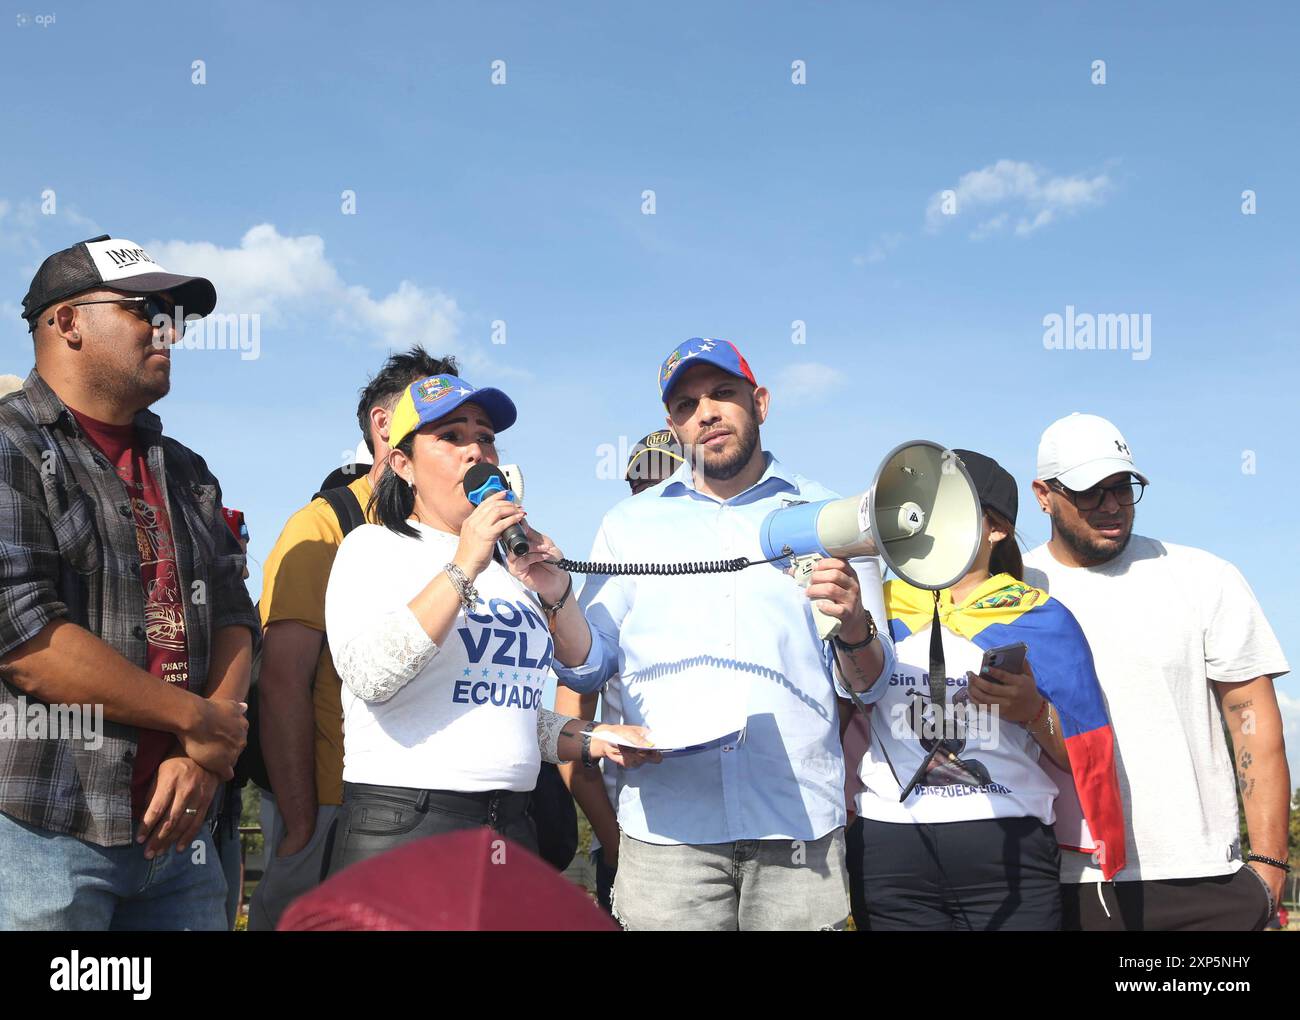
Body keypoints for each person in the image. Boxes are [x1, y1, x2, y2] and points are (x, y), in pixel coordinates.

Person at [539, 338, 897, 931]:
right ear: (672, 426)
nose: (704, 412)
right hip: (667, 832)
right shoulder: (628, 525)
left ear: (760, 402)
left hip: (798, 826)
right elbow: (588, 665)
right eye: (685, 404)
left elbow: (871, 687)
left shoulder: (833, 515)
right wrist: (557, 598)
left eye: (722, 394)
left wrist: (856, 625)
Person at [0, 235, 256, 930]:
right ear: (68, 321)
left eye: (176, 317)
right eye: (148, 309)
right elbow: (27, 639)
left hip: (183, 831)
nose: (167, 330)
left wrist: (204, 757)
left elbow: (237, 614)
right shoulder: (11, 445)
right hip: (43, 829)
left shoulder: (188, 470)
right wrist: (196, 722)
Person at [323, 372, 660, 874]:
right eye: (451, 437)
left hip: (512, 828)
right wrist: (463, 565)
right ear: (402, 463)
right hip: (406, 828)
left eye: (485, 437)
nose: (475, 451)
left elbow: (527, 696)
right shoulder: (373, 548)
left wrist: (592, 737)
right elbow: (371, 676)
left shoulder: (510, 571)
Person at [1023, 413, 1291, 931]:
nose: (1112, 507)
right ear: (1043, 494)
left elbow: (1252, 719)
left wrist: (1270, 867)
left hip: (1206, 880)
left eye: (1123, 489)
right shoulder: (1014, 589)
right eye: (1090, 492)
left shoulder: (1203, 576)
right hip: (1067, 882)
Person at [845, 450, 1125, 930]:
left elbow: (1082, 751)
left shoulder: (1041, 617)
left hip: (1008, 853)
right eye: (921, 505)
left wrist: (1034, 712)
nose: (925, 520)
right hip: (890, 855)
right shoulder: (869, 605)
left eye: (951, 505)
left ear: (997, 529)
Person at [249, 347, 452, 930]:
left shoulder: (460, 537)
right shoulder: (322, 526)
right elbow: (284, 680)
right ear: (383, 427)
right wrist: (301, 823)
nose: (462, 440)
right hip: (334, 804)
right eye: (440, 418)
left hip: (429, 806)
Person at [555, 428, 685, 912]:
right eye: (639, 483)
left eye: (668, 480)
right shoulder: (606, 591)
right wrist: (616, 845)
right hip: (636, 847)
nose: (650, 493)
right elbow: (570, 738)